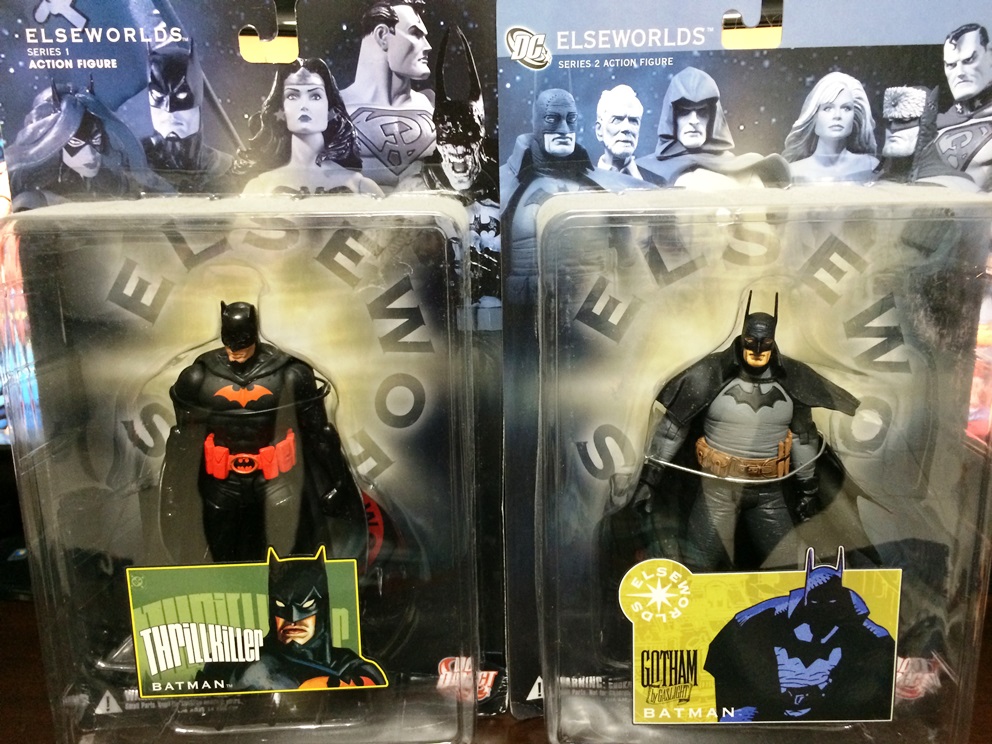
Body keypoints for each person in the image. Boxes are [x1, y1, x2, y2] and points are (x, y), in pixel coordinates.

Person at [630, 294, 866, 571]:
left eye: (765, 343)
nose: (757, 350)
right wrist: (649, 479)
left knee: (787, 566)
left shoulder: (792, 380)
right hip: (717, 488)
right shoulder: (712, 374)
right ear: (742, 337)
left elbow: (804, 438)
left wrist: (808, 488)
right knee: (697, 565)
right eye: (751, 341)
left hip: (769, 491)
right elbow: (673, 428)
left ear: (773, 342)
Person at [160, 302, 367, 565]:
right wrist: (172, 496)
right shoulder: (198, 377)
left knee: (291, 555)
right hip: (222, 483)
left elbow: (320, 434)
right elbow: (181, 441)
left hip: (276, 480)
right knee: (220, 557)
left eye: (241, 345)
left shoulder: (289, 374)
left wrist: (339, 483)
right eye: (230, 345)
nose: (235, 353)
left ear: (253, 334)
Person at [706, 548, 895, 721]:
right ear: (806, 603)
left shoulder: (859, 623)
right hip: (767, 707)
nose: (822, 612)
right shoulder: (770, 614)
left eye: (830, 604)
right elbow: (726, 644)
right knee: (736, 718)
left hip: (826, 713)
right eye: (816, 604)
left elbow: (884, 645)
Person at [200, 547, 387, 690]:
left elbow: (373, 690)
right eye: (281, 607)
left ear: (322, 609)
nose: (292, 619)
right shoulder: (238, 655)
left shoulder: (348, 665)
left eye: (306, 606)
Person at [6, 80, 167, 210]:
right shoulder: (33, 199)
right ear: (53, 144)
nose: (91, 155)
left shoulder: (115, 182)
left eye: (96, 139)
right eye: (76, 143)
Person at [237, 58, 383, 196]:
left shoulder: (361, 186)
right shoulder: (259, 187)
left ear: (329, 107)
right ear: (281, 108)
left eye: (315, 96)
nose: (304, 105)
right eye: (292, 96)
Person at [636, 66, 790, 188]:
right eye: (684, 112)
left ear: (713, 118)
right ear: (672, 117)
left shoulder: (745, 169)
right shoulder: (644, 170)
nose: (694, 120)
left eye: (702, 112)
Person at [340, 0, 435, 189]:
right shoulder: (332, 109)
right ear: (382, 36)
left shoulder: (432, 104)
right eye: (416, 34)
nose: (428, 46)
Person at [142, 40, 233, 193]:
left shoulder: (222, 167)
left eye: (182, 95)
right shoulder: (133, 160)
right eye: (158, 95)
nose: (169, 110)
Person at [914, 23, 992, 190]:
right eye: (951, 65)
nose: (959, 73)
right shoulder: (932, 126)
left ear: (990, 56)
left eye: (969, 60)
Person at [782, 71, 879, 184]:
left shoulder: (871, 166)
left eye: (846, 108)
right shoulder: (792, 172)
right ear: (814, 116)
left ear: (855, 116)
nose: (837, 115)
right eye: (828, 108)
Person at [875, 86, 934, 183]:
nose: (893, 128)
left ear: (926, 124)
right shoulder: (881, 178)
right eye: (889, 120)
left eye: (905, 119)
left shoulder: (941, 182)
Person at [594, 84, 644, 178]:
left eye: (633, 121)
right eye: (617, 120)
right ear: (599, 131)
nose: (627, 128)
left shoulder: (658, 182)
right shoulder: (582, 183)